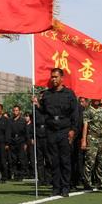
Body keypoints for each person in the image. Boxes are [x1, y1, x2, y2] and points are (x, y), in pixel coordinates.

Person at [32, 68, 80, 196]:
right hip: (51, 130)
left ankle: (65, 187)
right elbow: (43, 111)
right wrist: (37, 104)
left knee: (65, 160)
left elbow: (75, 114)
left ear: (61, 78)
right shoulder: (47, 94)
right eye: (52, 77)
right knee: (53, 161)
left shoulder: (69, 94)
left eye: (56, 77)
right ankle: (56, 187)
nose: (53, 79)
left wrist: (73, 130)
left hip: (64, 130)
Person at [81, 98, 102, 190]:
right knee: (90, 161)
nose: (97, 100)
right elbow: (85, 126)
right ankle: (87, 182)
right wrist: (84, 140)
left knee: (101, 162)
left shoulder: (101, 110)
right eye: (95, 98)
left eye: (98, 99)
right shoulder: (88, 110)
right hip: (91, 138)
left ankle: (100, 182)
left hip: (100, 139)